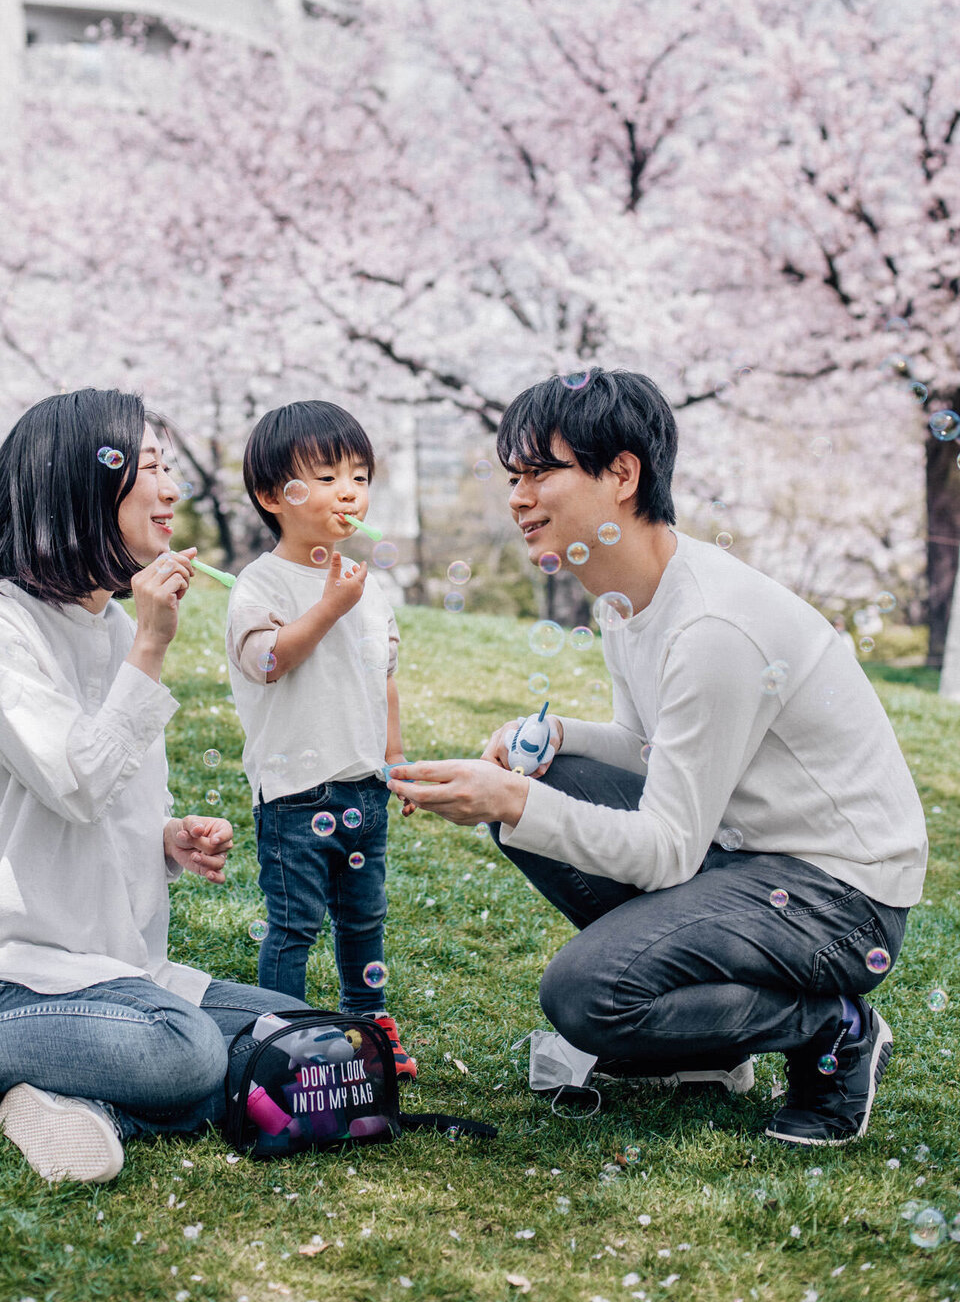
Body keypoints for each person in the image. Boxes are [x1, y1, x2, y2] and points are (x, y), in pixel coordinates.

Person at [389, 368, 927, 1146]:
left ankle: (831, 1030)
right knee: (542, 782)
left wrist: (510, 800)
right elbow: (653, 749)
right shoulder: (627, 596)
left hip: (840, 900)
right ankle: (709, 1047)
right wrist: (554, 742)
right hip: (756, 862)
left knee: (586, 994)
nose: (517, 496)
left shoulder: (711, 626)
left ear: (622, 474)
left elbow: (667, 850)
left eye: (541, 472)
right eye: (514, 476)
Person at [0, 389, 301, 1182]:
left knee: (301, 1035)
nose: (173, 491)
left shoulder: (107, 626)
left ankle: (76, 1098)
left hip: (98, 958)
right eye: (150, 469)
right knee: (189, 1052)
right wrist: (149, 648)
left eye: (170, 470)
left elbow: (102, 800)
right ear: (79, 487)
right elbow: (76, 784)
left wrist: (166, 840)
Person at [224, 401, 417, 1078]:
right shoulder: (262, 582)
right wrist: (330, 606)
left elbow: (384, 680)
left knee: (365, 920)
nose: (349, 491)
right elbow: (268, 662)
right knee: (295, 926)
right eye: (329, 475)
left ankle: (369, 1024)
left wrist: (397, 764)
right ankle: (279, 1037)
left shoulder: (373, 584)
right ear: (274, 496)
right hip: (296, 794)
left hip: (364, 786)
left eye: (359, 476)